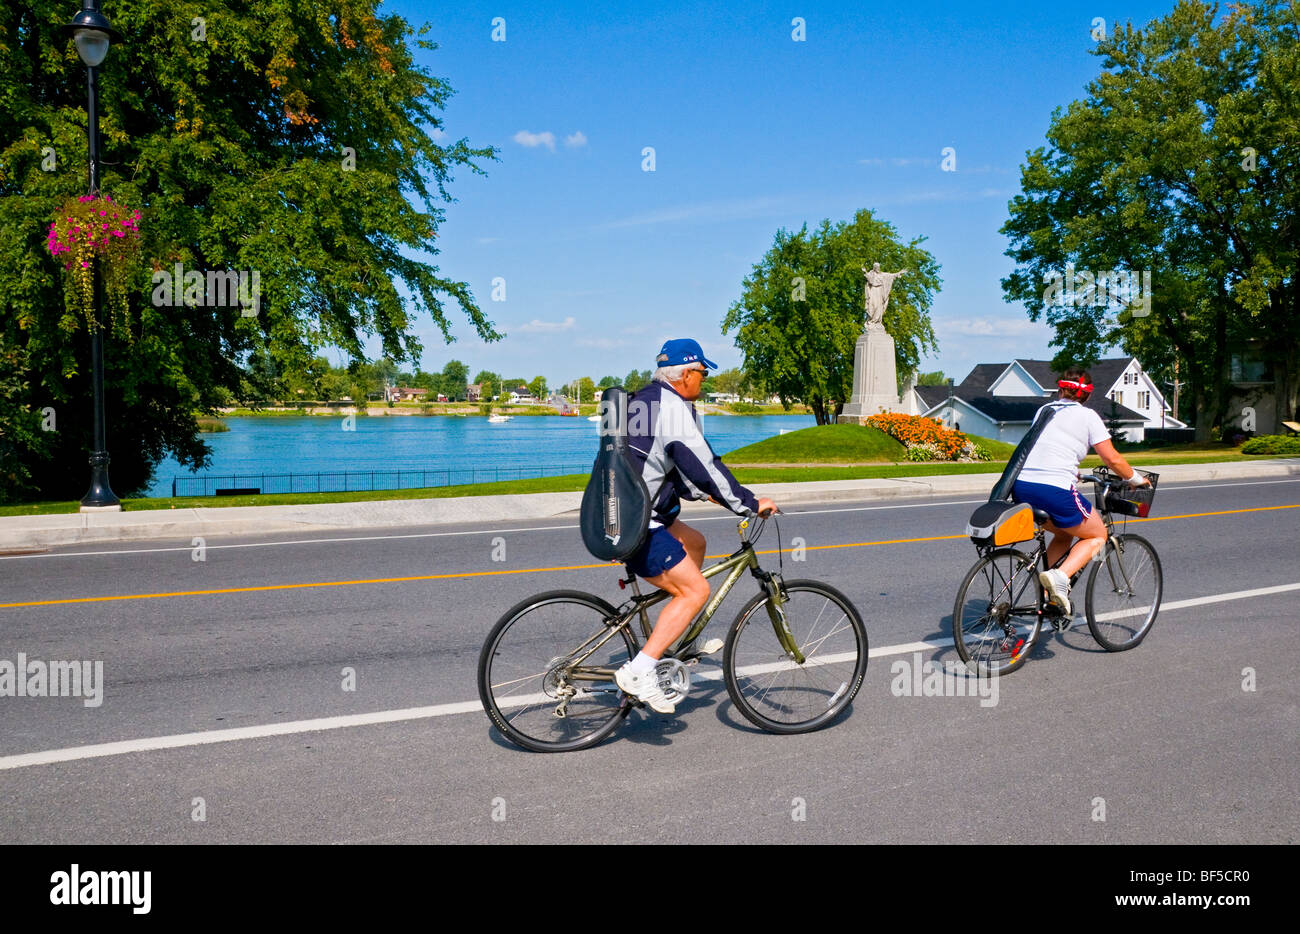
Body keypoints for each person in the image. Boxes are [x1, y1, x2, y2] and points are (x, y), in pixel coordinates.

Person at [615, 338, 777, 713]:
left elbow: (673, 466)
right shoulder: (672, 408)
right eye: (702, 373)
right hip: (639, 522)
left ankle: (673, 638)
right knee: (696, 592)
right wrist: (748, 504)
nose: (703, 380)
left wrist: (712, 497)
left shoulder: (643, 400)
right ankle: (640, 670)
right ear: (686, 373)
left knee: (696, 543)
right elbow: (706, 464)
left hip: (617, 513)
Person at [1013, 367, 1150, 615]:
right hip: (1053, 489)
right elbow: (1112, 459)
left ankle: (1044, 595)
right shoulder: (1088, 417)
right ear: (1087, 394)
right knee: (1097, 535)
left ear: (1061, 388)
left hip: (1022, 486)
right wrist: (1136, 479)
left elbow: (1044, 448)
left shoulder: (1044, 411)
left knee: (1065, 535)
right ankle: (1061, 577)